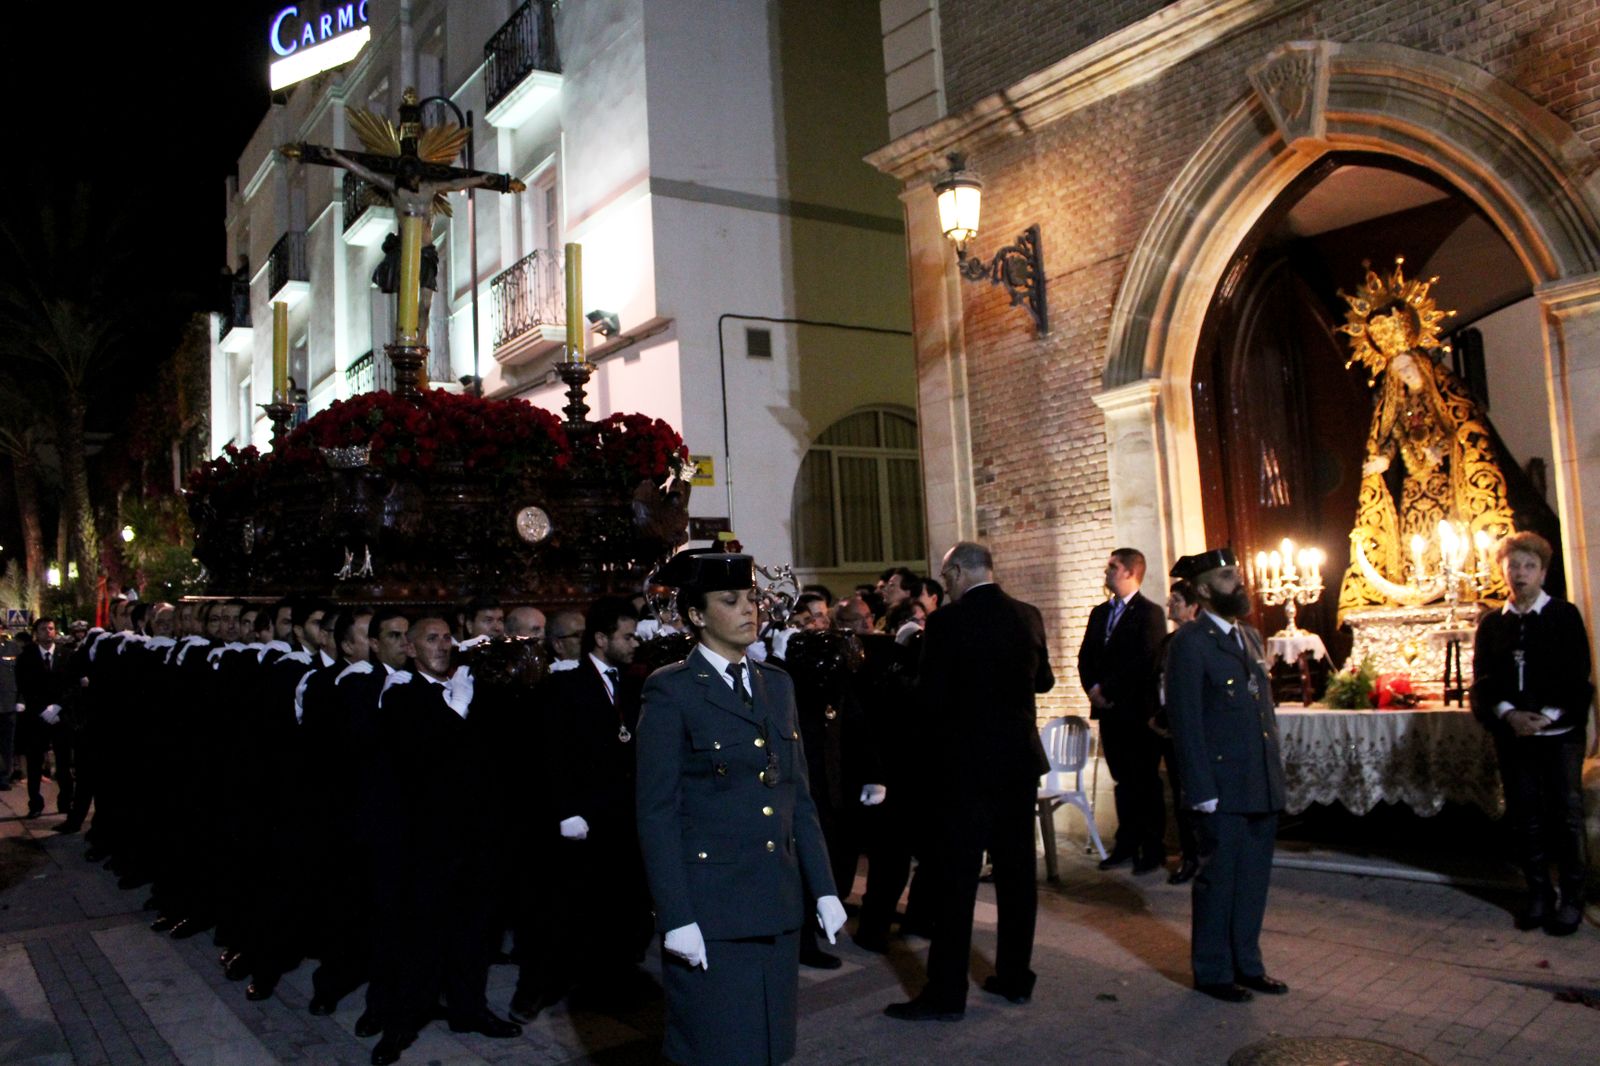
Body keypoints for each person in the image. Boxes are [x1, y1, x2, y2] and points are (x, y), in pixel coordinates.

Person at [635, 549, 845, 1066]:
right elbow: (656, 813)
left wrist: (822, 887)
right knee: (715, 1046)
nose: (749, 609)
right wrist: (676, 915)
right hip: (712, 908)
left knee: (772, 1044)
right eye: (731, 600)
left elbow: (796, 796)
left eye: (752, 597)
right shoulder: (672, 690)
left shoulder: (777, 683)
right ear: (697, 616)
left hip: (775, 898)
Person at [886, 541, 1054, 1021]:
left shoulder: (945, 623)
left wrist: (900, 670)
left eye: (946, 577)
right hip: (1018, 764)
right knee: (1017, 876)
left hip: (965, 768)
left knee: (956, 881)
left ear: (959, 572)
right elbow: (1042, 680)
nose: (945, 586)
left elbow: (930, 700)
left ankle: (945, 994)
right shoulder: (1028, 615)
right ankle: (1015, 978)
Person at [1163, 548, 1288, 1003]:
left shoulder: (1249, 637)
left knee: (1253, 880)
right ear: (1202, 589)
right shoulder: (1190, 644)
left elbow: (1262, 713)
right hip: (1220, 787)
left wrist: (1276, 777)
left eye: (1237, 573)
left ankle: (1247, 964)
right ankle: (1214, 972)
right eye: (1227, 576)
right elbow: (1186, 722)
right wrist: (1200, 790)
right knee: (1219, 882)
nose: (1239, 581)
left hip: (1259, 782)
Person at [1470, 531, 1592, 936]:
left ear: (1543, 571)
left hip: (1559, 735)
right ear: (1502, 571)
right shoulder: (1492, 624)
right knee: (1526, 818)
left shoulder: (1563, 615)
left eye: (1528, 566)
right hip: (1515, 735)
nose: (1519, 573)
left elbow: (1577, 674)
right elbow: (1484, 681)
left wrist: (1546, 717)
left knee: (1566, 816)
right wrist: (1508, 715)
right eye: (1513, 566)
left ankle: (1572, 897)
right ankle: (1538, 893)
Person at [1078, 548, 1169, 874]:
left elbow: (1145, 660)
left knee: (1144, 780)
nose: (1107, 571)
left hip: (1136, 711)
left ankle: (1152, 847)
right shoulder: (1100, 613)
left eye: (1113, 566)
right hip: (1110, 713)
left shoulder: (1150, 613)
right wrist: (1093, 689)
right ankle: (1126, 843)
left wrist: (1110, 689)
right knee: (1122, 781)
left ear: (1131, 572)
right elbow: (1086, 656)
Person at [1149, 579, 1202, 885]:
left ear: (1194, 607)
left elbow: (1188, 689)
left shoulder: (1198, 641)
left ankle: (1201, 855)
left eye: (1177, 601)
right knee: (1181, 795)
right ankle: (1188, 854)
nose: (1170, 605)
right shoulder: (1169, 642)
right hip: (1169, 728)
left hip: (1189, 729)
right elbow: (1160, 682)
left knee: (1196, 796)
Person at [15, 617, 74, 818]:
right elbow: (24, 686)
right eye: (43, 629)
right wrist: (42, 709)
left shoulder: (66, 655)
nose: (47, 632)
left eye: (50, 628)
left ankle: (66, 801)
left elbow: (71, 685)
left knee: (64, 761)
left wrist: (58, 707)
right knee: (34, 762)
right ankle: (35, 803)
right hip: (37, 716)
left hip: (60, 716)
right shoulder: (26, 657)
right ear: (36, 633)